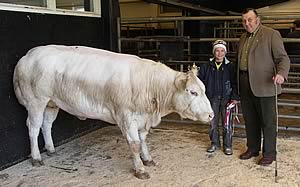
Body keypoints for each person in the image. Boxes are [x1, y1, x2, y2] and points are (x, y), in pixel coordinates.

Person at [237, 8, 290, 166]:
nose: (247, 23)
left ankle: (269, 153)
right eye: (244, 20)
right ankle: (253, 148)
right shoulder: (242, 38)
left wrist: (281, 74)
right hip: (245, 83)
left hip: (266, 84)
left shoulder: (271, 34)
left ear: (258, 20)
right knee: (250, 120)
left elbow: (283, 58)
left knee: (268, 122)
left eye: (250, 20)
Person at [198, 39, 239, 155]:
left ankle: (228, 145)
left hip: (227, 99)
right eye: (217, 51)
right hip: (212, 99)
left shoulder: (230, 67)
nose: (219, 53)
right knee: (212, 123)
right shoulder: (206, 67)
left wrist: (235, 97)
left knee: (227, 124)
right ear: (213, 52)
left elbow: (235, 83)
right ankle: (214, 143)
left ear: (225, 52)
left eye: (222, 51)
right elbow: (200, 83)